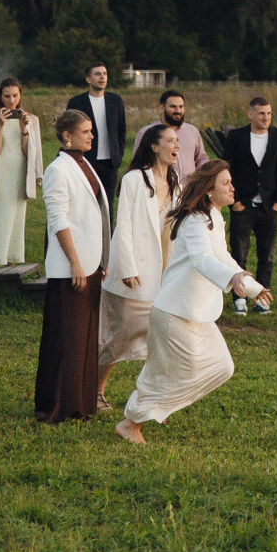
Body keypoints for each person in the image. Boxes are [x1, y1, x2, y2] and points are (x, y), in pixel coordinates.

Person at [114, 161, 270, 444]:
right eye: (226, 183)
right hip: (175, 311)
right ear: (209, 190)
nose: (232, 188)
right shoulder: (196, 221)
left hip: (196, 313)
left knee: (221, 366)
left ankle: (155, 408)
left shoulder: (213, 217)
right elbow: (203, 260)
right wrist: (233, 277)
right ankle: (131, 423)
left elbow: (223, 258)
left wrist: (251, 286)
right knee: (177, 373)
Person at [34, 110, 110, 424]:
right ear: (67, 135)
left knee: (85, 338)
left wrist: (102, 259)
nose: (92, 136)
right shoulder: (57, 169)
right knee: (67, 338)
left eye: (91, 131)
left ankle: (81, 403)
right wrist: (75, 263)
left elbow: (98, 212)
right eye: (86, 131)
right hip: (71, 268)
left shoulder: (83, 163)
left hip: (92, 263)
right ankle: (59, 407)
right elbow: (58, 221)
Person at [98, 125, 179, 408]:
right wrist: (128, 268)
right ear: (154, 147)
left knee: (160, 341)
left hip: (162, 276)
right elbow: (124, 227)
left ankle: (153, 399)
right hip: (134, 274)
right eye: (170, 141)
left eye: (177, 141)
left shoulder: (175, 182)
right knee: (119, 339)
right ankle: (95, 389)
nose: (176, 146)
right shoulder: (134, 179)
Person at [223, 97, 277, 314]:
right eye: (261, 113)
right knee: (238, 255)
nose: (266, 117)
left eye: (268, 113)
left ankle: (261, 299)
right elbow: (227, 168)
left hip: (269, 206)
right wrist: (235, 201)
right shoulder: (236, 136)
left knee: (266, 255)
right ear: (250, 114)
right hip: (243, 205)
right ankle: (239, 299)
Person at [0, 77, 43, 266]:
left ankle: (13, 258)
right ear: (0, 97)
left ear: (20, 96)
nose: (11, 100)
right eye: (7, 96)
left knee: (17, 215)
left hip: (20, 171)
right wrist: (0, 125)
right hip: (0, 172)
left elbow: (30, 152)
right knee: (0, 214)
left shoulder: (31, 120)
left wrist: (24, 129)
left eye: (15, 95)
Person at [67, 62, 127, 204]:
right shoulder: (76, 102)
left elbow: (121, 131)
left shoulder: (116, 101)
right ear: (88, 79)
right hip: (85, 160)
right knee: (85, 203)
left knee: (107, 206)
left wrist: (118, 156)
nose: (102, 77)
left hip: (110, 163)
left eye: (104, 74)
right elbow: (69, 131)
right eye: (98, 74)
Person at [130, 90, 209, 186]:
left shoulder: (192, 131)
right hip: (159, 189)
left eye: (181, 107)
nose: (178, 111)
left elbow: (202, 158)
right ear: (162, 107)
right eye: (173, 107)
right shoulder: (148, 133)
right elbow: (138, 163)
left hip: (190, 190)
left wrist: (199, 176)